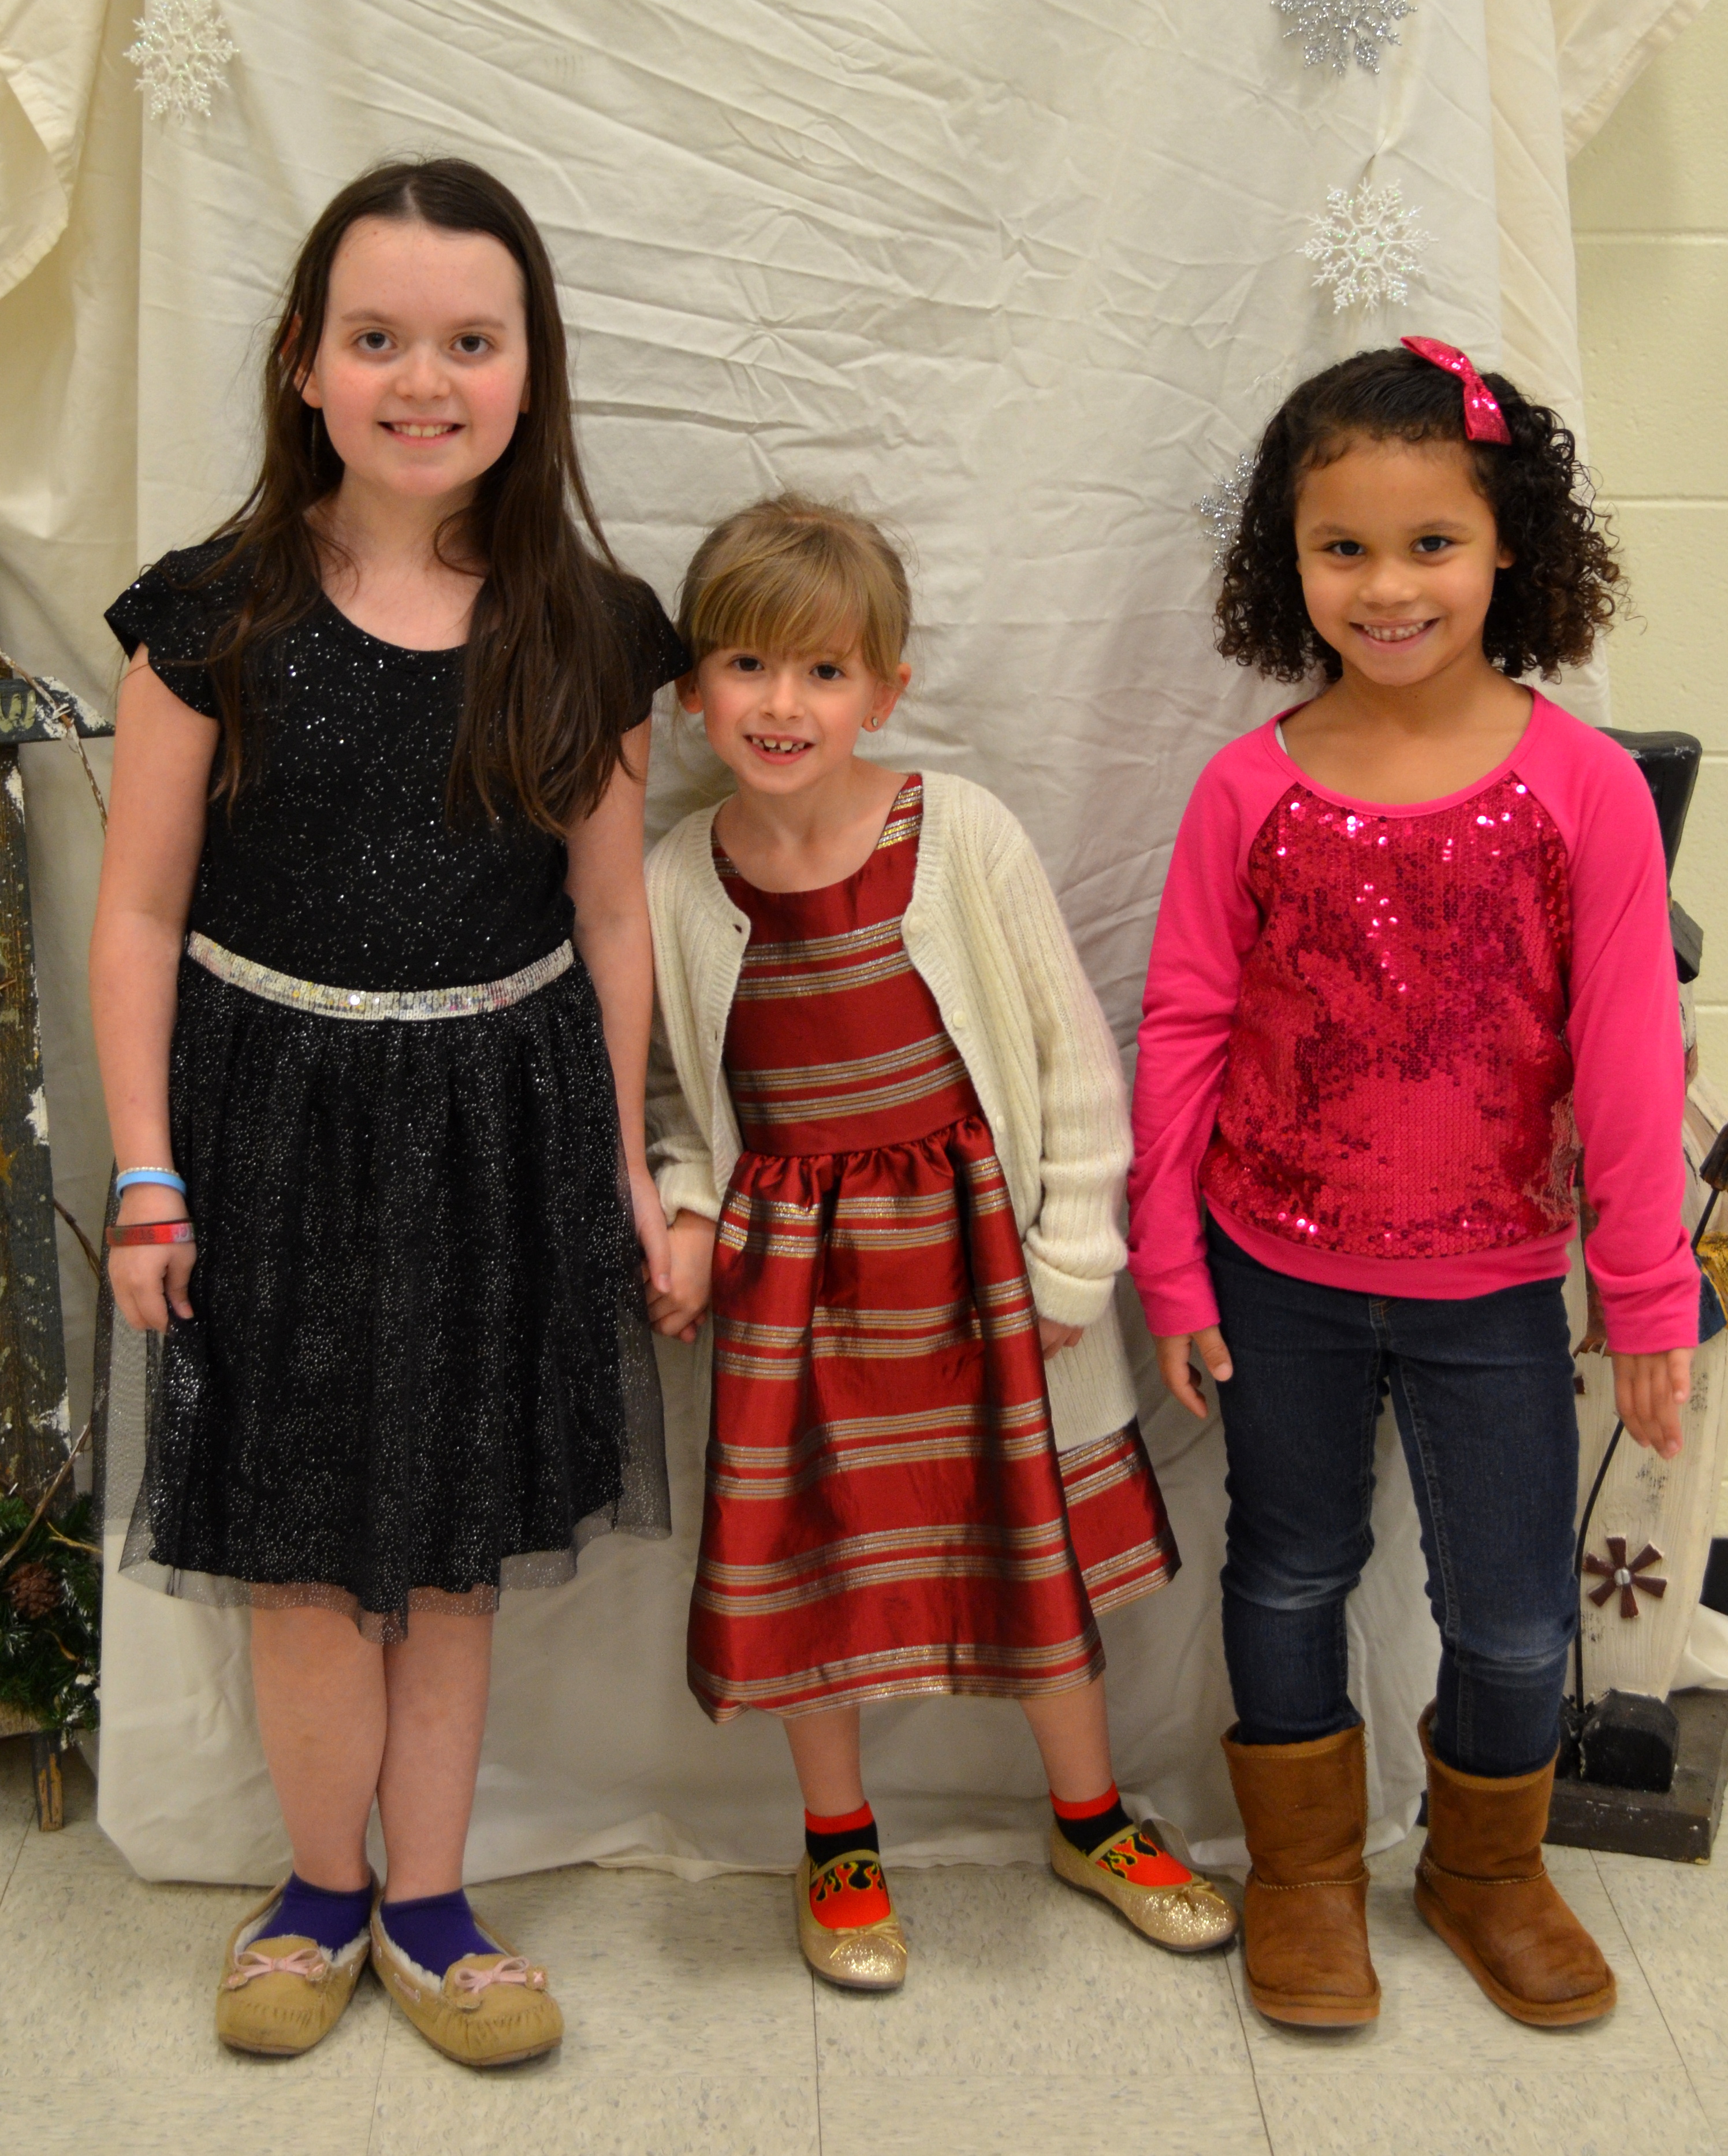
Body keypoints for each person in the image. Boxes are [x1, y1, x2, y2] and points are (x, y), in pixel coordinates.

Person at [92, 157, 685, 2066]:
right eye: (377, 338)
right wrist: (147, 1173)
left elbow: (611, 916)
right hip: (264, 1129)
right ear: (305, 361)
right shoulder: (213, 614)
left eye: (469, 342)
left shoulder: (589, 626)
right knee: (298, 1547)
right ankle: (315, 1889)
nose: (423, 380)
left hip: (498, 1125)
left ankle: (430, 1904)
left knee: (447, 1549)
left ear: (530, 368)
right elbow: (139, 911)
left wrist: (628, 1171)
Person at [1130, 339, 1697, 2031]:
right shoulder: (1248, 786)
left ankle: (1486, 1871)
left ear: (1508, 540)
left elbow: (1629, 1054)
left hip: (1498, 1285)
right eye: (1345, 549)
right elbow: (1185, 1027)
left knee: (1513, 1617)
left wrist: (1649, 1295)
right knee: (1287, 1570)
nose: (1387, 588)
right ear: (1289, 559)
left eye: (1430, 543)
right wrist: (1172, 1265)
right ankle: (1304, 1872)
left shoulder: (1583, 786)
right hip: (1274, 1272)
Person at [643, 493, 1235, 1990]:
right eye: (747, 666)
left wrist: (1075, 1254)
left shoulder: (959, 834)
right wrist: (694, 1212)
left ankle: (1090, 1816)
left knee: (1029, 1550)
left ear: (885, 690)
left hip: (977, 1271)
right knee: (810, 1559)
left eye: (824, 671)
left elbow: (1068, 1059)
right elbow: (676, 1095)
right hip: (796, 1288)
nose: (782, 704)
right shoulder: (674, 878)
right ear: (694, 689)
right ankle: (838, 1840)